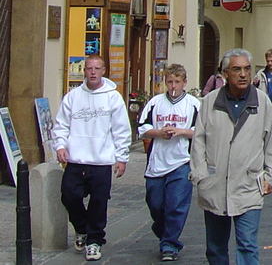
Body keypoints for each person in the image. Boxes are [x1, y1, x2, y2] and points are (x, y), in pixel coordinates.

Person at [192, 48, 272, 265]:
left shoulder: (262, 102)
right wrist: (200, 175)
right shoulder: (210, 102)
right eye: (236, 69)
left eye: (246, 69)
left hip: (249, 186)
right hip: (215, 185)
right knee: (215, 248)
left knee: (247, 245)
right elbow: (198, 141)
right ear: (225, 74)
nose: (243, 74)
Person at [52, 54, 131, 262]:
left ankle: (94, 241)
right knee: (69, 196)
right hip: (76, 159)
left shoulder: (112, 97)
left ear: (103, 71)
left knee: (98, 202)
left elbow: (121, 129)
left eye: (97, 69)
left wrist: (121, 157)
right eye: (89, 69)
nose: (93, 72)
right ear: (84, 71)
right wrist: (60, 145)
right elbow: (61, 124)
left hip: (101, 161)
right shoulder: (73, 96)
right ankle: (82, 229)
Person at [138, 64, 201, 262]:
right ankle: (164, 231)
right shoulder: (155, 103)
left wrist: (181, 131)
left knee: (175, 205)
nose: (173, 86)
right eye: (170, 82)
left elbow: (203, 131)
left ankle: (169, 245)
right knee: (156, 204)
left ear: (184, 82)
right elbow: (141, 128)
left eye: (177, 82)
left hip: (182, 160)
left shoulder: (194, 104)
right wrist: (159, 132)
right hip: (157, 161)